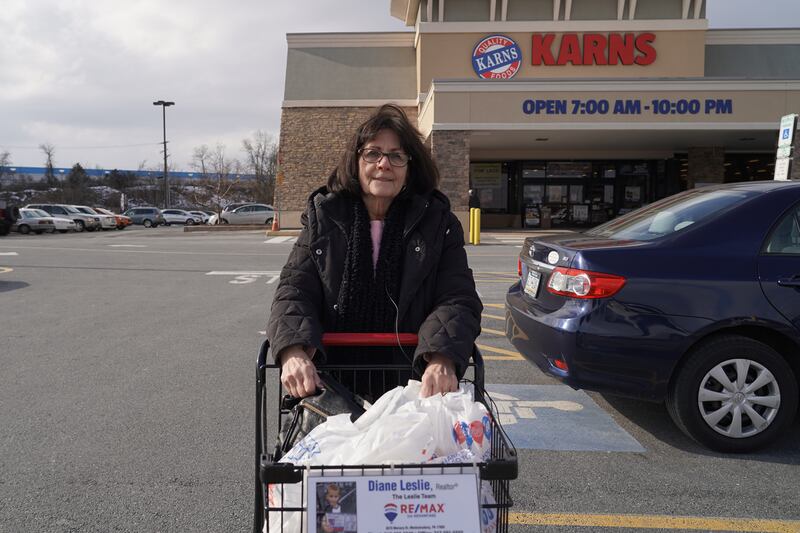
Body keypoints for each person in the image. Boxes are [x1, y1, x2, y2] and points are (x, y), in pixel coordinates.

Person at [266, 104, 482, 400]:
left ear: (410, 166)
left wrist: (441, 356)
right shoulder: (325, 218)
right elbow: (294, 291)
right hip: (331, 385)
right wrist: (293, 350)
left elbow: (457, 297)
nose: (384, 164)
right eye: (373, 153)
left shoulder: (438, 223)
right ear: (355, 161)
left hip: (412, 387)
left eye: (396, 156)